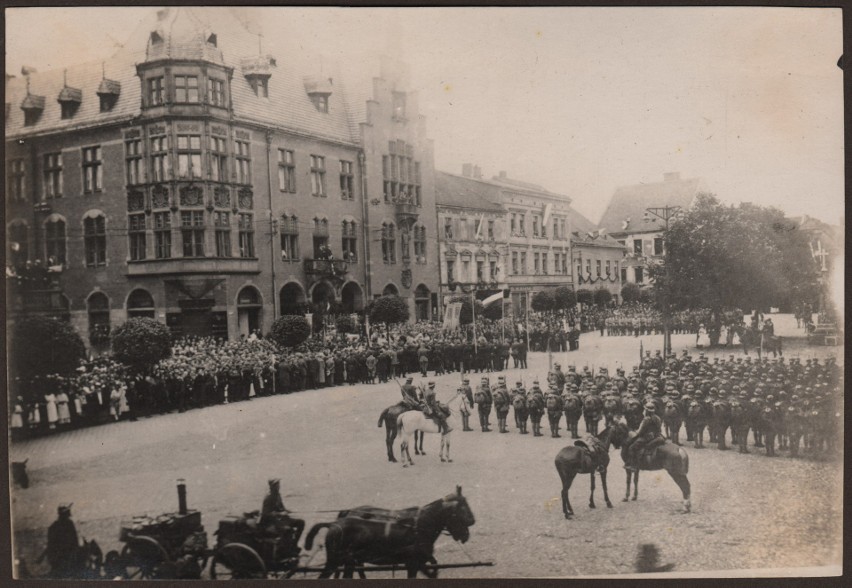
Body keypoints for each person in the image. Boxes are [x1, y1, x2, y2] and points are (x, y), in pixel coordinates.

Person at [260, 479, 304, 554]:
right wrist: (280, 514)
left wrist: (287, 510)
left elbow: (281, 507)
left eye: (278, 484)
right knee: (287, 529)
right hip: (271, 522)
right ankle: (284, 550)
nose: (278, 486)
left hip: (280, 520)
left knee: (301, 523)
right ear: (272, 486)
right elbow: (266, 514)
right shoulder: (268, 498)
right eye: (276, 485)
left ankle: (293, 545)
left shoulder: (278, 495)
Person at [39, 504, 79, 579]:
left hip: (57, 558)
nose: (69, 513)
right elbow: (75, 542)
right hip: (67, 557)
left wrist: (42, 556)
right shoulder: (69, 524)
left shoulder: (53, 527)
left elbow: (50, 544)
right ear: (66, 514)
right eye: (68, 512)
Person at [623, 402, 663, 472]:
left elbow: (639, 432)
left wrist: (633, 432)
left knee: (631, 447)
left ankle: (633, 465)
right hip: (657, 436)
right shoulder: (657, 418)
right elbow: (659, 429)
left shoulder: (646, 419)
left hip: (646, 438)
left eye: (645, 409)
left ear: (647, 411)